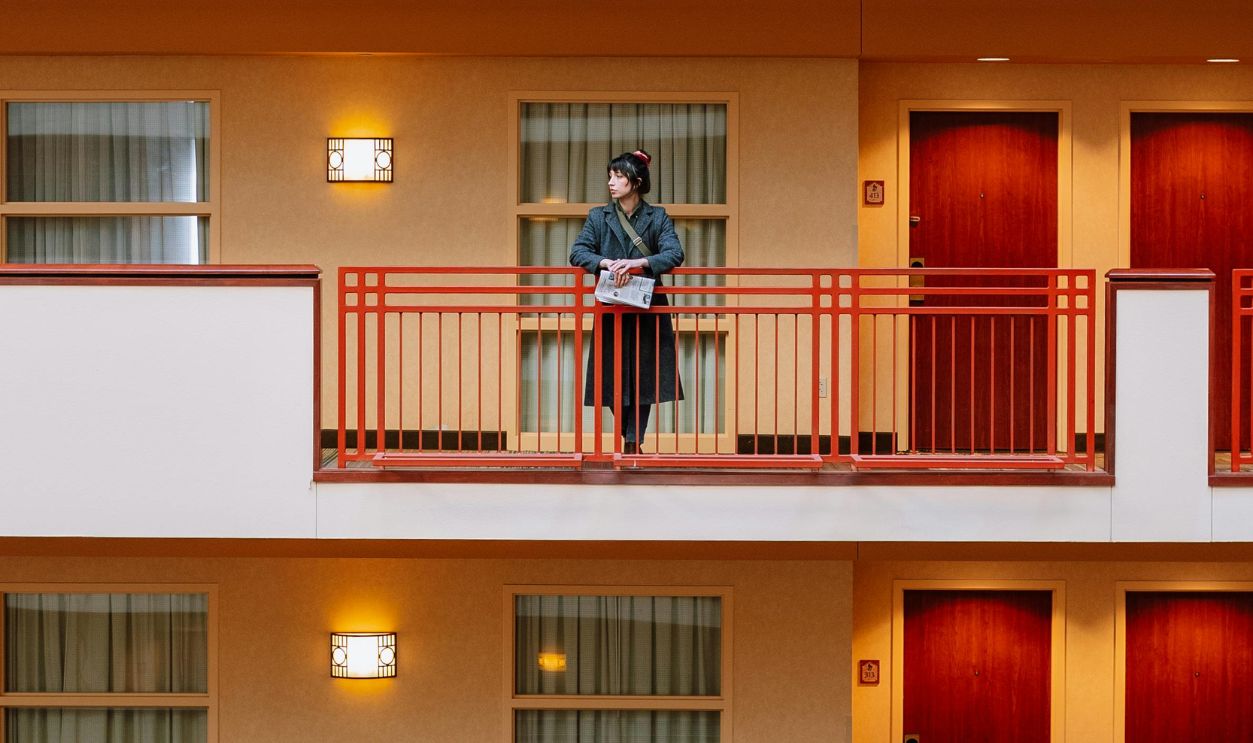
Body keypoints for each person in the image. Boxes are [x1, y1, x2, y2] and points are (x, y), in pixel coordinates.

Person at [569, 149, 685, 453]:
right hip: (612, 307)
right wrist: (606, 263)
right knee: (610, 377)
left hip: (648, 308)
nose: (611, 182)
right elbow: (578, 252)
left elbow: (674, 254)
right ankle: (629, 437)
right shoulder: (599, 216)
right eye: (610, 176)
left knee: (645, 380)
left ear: (636, 181)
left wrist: (637, 263)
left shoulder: (657, 216)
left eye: (618, 176)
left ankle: (632, 442)